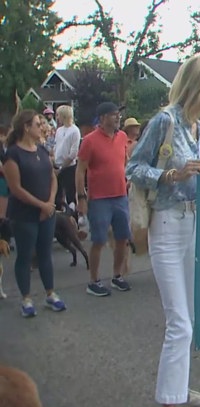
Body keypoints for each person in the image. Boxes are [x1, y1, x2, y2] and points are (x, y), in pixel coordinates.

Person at [127, 56, 200, 407]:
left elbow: (199, 173)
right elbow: (134, 168)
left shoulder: (199, 128)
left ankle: (179, 391)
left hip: (192, 223)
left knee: (188, 316)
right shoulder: (165, 120)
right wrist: (171, 174)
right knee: (179, 322)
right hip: (167, 225)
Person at [2, 110, 65, 317]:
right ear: (26, 127)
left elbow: (52, 177)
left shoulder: (42, 150)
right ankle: (26, 299)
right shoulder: (13, 154)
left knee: (45, 253)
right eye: (38, 124)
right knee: (25, 255)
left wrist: (50, 203)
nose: (43, 127)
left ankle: (50, 293)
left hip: (47, 211)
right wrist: (41, 205)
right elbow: (16, 188)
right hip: (24, 214)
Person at [75, 102, 132, 297]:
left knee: (122, 238)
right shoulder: (89, 140)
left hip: (121, 196)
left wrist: (127, 179)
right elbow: (80, 170)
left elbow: (124, 162)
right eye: (113, 114)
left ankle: (117, 275)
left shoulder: (123, 137)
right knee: (98, 240)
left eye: (118, 114)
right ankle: (94, 280)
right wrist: (81, 196)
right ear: (101, 119)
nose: (118, 117)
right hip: (99, 198)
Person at [53, 105, 81, 209]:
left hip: (69, 167)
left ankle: (73, 217)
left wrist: (61, 168)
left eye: (58, 115)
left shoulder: (75, 131)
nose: (57, 117)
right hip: (57, 165)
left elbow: (73, 153)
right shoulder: (59, 130)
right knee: (57, 194)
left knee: (70, 195)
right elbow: (56, 146)